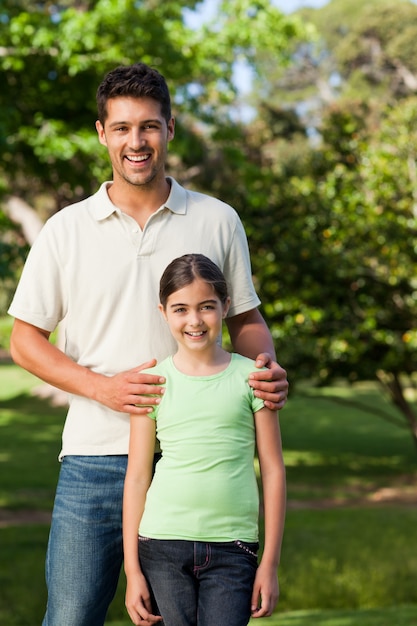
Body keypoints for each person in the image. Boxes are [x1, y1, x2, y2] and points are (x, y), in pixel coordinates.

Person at [7, 62, 288, 626]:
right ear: (102, 132)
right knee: (70, 615)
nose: (137, 142)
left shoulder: (216, 219)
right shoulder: (66, 228)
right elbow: (24, 341)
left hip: (198, 461)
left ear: (170, 130)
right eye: (123, 128)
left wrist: (266, 365)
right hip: (96, 458)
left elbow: (246, 318)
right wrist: (103, 389)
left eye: (150, 127)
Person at [123, 253, 286, 626]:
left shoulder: (254, 379)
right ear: (163, 312)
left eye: (207, 307)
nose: (194, 320)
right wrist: (133, 571)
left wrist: (270, 564)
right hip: (161, 546)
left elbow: (274, 471)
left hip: (234, 548)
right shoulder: (152, 385)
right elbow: (136, 477)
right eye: (180, 309)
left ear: (226, 307)